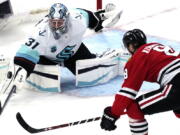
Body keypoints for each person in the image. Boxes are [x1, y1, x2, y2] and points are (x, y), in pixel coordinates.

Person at [10, 3, 123, 92]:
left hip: (74, 52)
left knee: (90, 75)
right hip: (49, 58)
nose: (56, 26)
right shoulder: (41, 34)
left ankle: (101, 57)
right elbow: (26, 52)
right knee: (48, 80)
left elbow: (92, 18)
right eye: (53, 22)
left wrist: (103, 18)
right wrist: (21, 70)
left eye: (59, 22)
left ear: (67, 19)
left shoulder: (78, 19)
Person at [100, 29, 180, 135]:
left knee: (133, 108)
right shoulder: (155, 46)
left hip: (177, 86)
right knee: (178, 109)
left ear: (130, 47)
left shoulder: (138, 57)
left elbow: (127, 94)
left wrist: (113, 113)